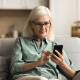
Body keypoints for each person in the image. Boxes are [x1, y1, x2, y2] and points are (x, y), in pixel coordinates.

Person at [10, 6, 79, 80]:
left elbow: (74, 75)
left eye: (46, 23)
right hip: (26, 77)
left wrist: (62, 64)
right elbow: (14, 68)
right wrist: (38, 62)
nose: (43, 28)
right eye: (39, 24)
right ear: (31, 24)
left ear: (50, 24)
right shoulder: (20, 42)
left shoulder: (54, 46)